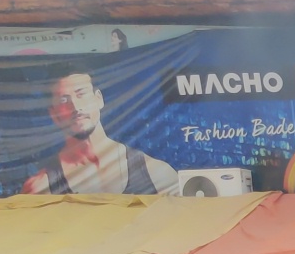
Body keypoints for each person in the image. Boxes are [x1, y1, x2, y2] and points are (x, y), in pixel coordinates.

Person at [21, 68, 178, 195]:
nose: (76, 107)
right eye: (64, 100)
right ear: (54, 114)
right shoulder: (40, 188)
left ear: (98, 99)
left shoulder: (157, 173)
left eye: (81, 94)